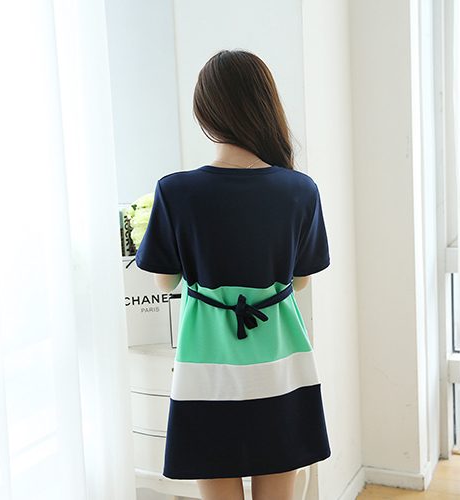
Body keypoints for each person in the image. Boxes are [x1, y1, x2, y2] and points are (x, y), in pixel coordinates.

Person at [135, 49, 330, 500]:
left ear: (206, 112)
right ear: (266, 106)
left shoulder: (176, 191)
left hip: (206, 367)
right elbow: (300, 281)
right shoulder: (300, 190)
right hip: (280, 363)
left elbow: (165, 281)